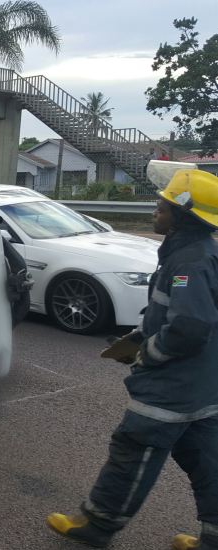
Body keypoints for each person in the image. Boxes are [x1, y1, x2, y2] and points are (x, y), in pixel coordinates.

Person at [46, 169, 218, 550]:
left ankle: (97, 524)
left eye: (165, 204)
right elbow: (181, 313)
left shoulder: (188, 263)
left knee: (133, 448)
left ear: (185, 214)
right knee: (207, 461)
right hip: (203, 385)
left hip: (173, 387)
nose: (156, 208)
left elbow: (190, 325)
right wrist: (140, 335)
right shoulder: (198, 253)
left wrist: (150, 353)